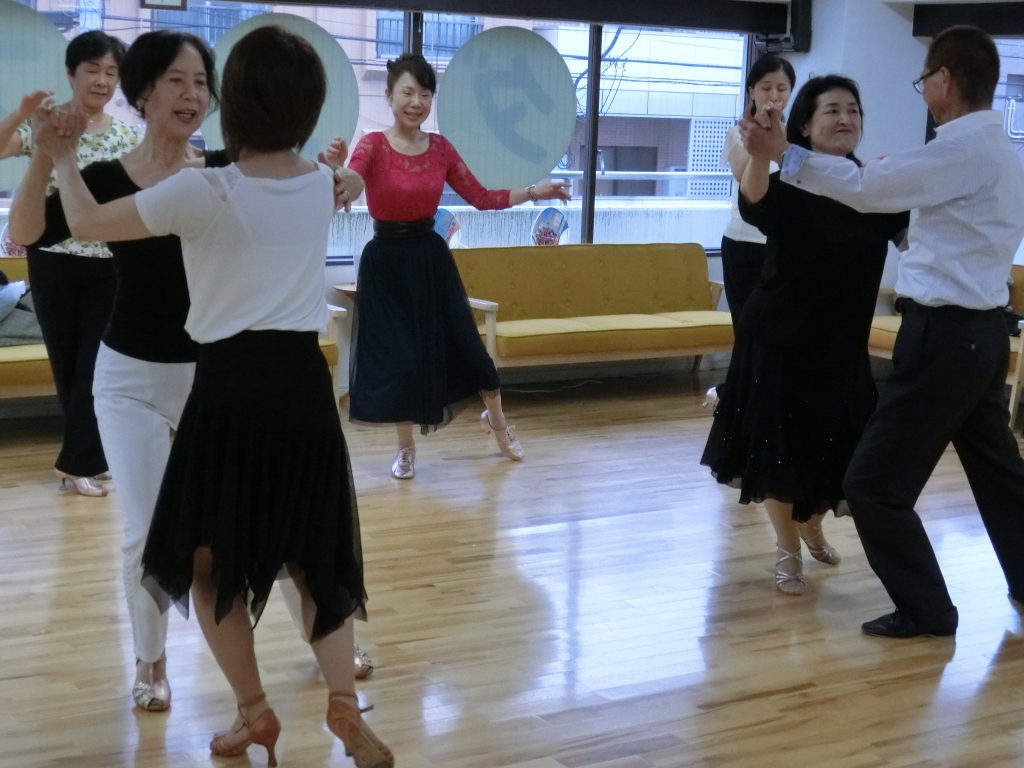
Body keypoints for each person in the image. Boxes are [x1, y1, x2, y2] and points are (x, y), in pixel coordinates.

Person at [35, 26, 391, 765]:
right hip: (304, 386)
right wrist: (347, 176)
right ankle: (342, 702)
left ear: (232, 104)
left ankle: (254, 712)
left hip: (225, 387)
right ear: (308, 106)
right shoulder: (316, 187)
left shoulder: (203, 188)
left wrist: (64, 157)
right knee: (311, 555)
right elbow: (342, 184)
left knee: (205, 564)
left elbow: (87, 223)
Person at [741, 25, 1024, 636]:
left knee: (871, 485)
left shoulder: (959, 150)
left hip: (946, 339)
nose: (923, 92)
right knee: (1000, 475)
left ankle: (928, 609)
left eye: (924, 81)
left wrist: (785, 153)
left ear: (945, 80)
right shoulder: (994, 148)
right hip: (979, 337)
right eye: (833, 109)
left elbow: (869, 191)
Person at [11, 28, 223, 714]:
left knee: (233, 524)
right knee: (145, 528)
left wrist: (344, 177)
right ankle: (151, 660)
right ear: (143, 94)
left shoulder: (224, 171)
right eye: (176, 81)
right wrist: (48, 155)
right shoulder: (104, 177)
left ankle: (325, 631)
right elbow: (25, 233)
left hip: (212, 375)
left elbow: (305, 186)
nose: (192, 94)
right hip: (130, 375)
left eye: (202, 82)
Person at [701, 75, 908, 596]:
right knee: (776, 446)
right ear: (807, 128)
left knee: (841, 444)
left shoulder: (875, 187)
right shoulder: (791, 181)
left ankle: (812, 519)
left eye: (853, 110)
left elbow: (915, 239)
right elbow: (754, 200)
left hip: (842, 344)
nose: (846, 119)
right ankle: (786, 545)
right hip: (780, 337)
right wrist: (759, 152)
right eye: (832, 110)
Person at [345, 53, 571, 480]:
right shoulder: (372, 144)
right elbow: (354, 178)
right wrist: (342, 180)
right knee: (400, 362)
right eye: (408, 92)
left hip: (430, 260)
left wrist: (535, 191)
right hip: (385, 264)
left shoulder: (441, 149)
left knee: (471, 350)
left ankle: (499, 426)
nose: (417, 102)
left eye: (425, 94)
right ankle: (406, 449)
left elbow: (482, 197)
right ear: (389, 95)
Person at [0, 31, 141, 496]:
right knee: (67, 362)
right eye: (92, 70)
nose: (102, 81)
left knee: (95, 366)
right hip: (51, 258)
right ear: (71, 74)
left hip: (109, 263)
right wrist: (22, 115)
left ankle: (77, 461)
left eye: (111, 72)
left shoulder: (127, 134)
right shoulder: (50, 123)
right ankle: (86, 457)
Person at [705, 55, 795, 409]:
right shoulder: (736, 132)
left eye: (782, 88)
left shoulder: (798, 134)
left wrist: (782, 138)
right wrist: (757, 133)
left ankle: (769, 395)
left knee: (778, 327)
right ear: (752, 91)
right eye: (767, 87)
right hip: (742, 243)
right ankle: (740, 396)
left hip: (784, 245)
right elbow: (743, 177)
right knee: (746, 324)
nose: (774, 95)